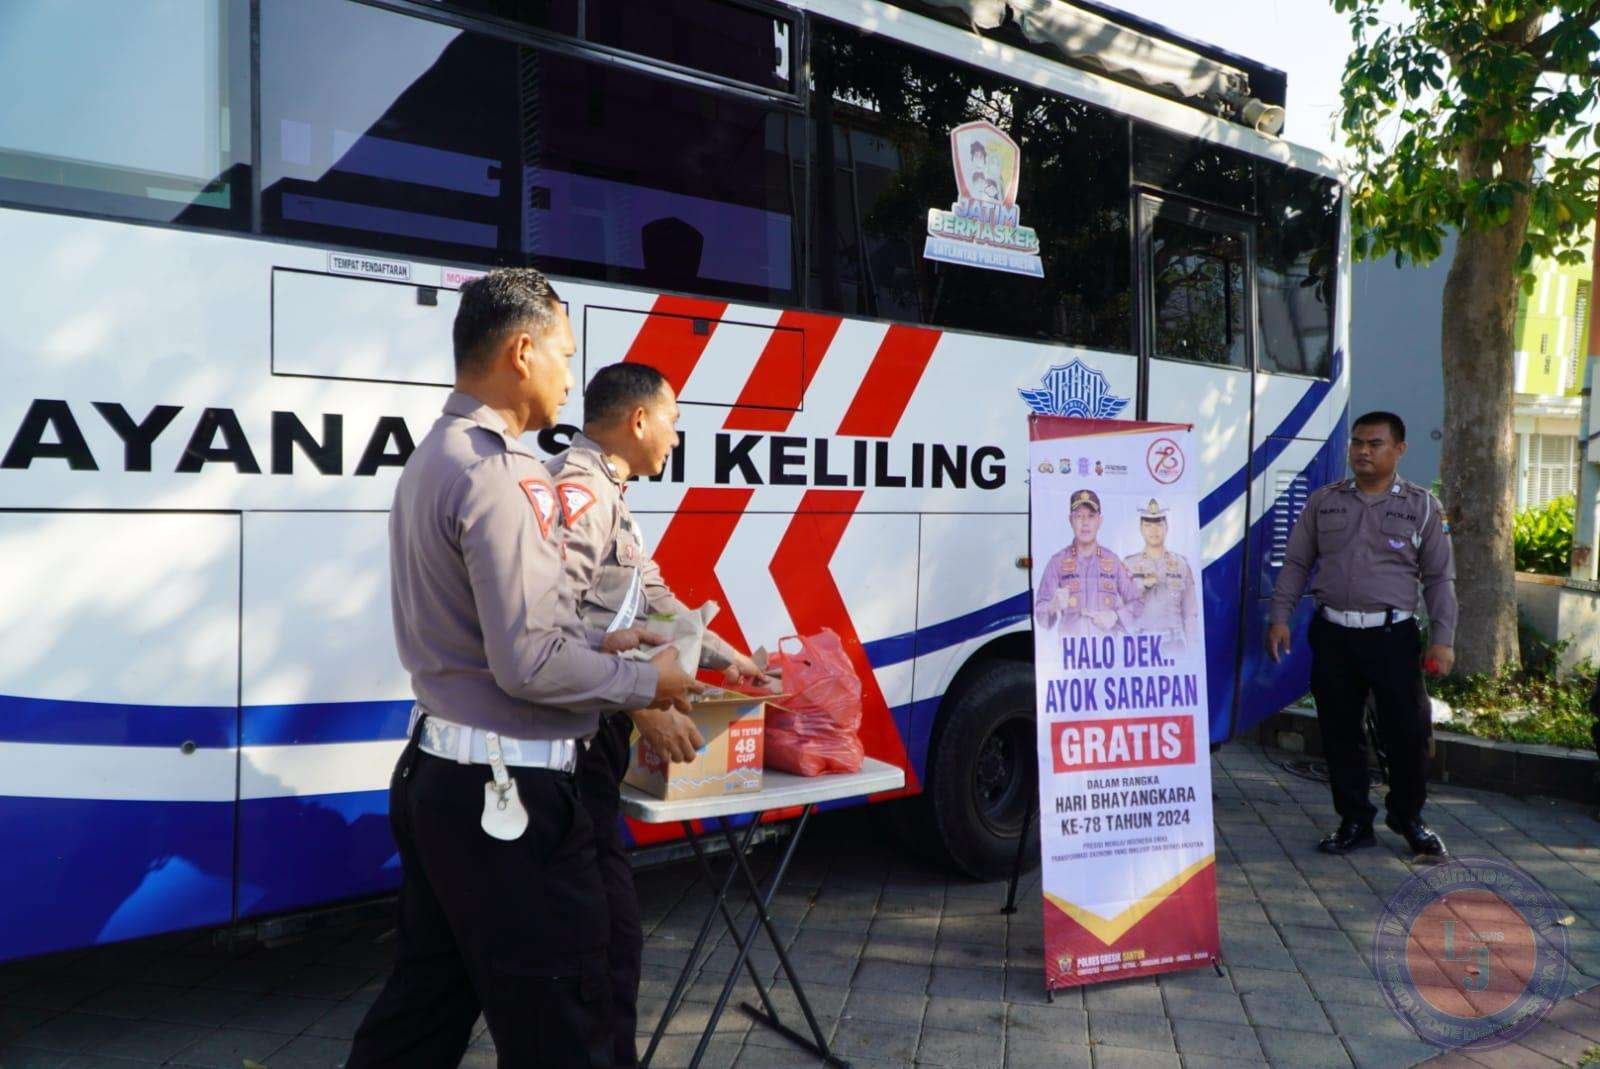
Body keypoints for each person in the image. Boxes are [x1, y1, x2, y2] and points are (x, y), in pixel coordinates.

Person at [347, 268, 702, 1068]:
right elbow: (529, 663)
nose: (570, 377)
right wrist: (648, 684)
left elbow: (497, 639)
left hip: (443, 777)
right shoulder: (500, 474)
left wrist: (606, 648)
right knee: (566, 1031)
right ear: (520, 353)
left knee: (421, 1013)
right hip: (507, 805)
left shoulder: (438, 455)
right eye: (564, 354)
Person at [545, 361, 771, 1068]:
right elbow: (551, 633)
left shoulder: (609, 492)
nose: (675, 436)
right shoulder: (580, 492)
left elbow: (654, 599)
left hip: (595, 738)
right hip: (572, 745)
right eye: (672, 420)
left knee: (608, 936)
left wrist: (729, 660)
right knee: (605, 940)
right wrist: (642, 703)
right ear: (638, 420)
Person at [1267, 411, 1456, 859]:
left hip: (1392, 637)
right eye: (1357, 443)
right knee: (1339, 732)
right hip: (1334, 635)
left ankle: (1408, 817)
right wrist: (1280, 616)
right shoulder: (1324, 501)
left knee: (1407, 733)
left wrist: (1443, 639)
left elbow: (1439, 578)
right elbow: (1296, 563)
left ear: (1399, 450)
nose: (1363, 452)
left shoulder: (1422, 506)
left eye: (1375, 444)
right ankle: (1354, 820)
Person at [1034, 488, 1142, 637]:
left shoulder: (1113, 561)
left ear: (1099, 521)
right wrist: (1052, 606)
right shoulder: (1057, 562)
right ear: (1071, 520)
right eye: (1079, 516)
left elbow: (1138, 603)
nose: (1085, 523)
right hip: (1071, 648)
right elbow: (1040, 613)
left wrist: (1115, 616)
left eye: (1091, 516)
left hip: (1106, 648)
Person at [1124, 498, 1199, 653]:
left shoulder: (1181, 564)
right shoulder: (1128, 565)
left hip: (1174, 645)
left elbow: (1190, 614)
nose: (1154, 530)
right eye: (1148, 525)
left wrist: (1193, 651)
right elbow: (1120, 607)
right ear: (1141, 528)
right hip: (1140, 646)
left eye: (1158, 524)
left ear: (1166, 527)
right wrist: (1142, 586)